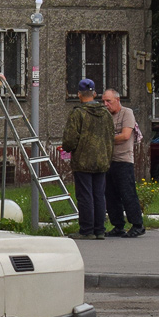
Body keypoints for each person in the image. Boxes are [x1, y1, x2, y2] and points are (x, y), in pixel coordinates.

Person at [62, 78, 114, 240]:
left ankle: (87, 230)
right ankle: (100, 230)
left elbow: (70, 139)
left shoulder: (78, 113)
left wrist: (67, 148)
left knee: (85, 195)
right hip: (102, 160)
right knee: (99, 195)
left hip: (83, 161)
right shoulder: (106, 113)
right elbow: (110, 136)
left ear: (79, 94)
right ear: (95, 94)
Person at [101, 89, 146, 238]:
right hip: (108, 160)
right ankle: (118, 225)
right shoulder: (105, 115)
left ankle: (137, 224)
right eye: (104, 101)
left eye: (109, 101)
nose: (106, 104)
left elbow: (125, 136)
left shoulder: (127, 113)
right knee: (111, 195)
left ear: (118, 100)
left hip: (123, 160)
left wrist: (106, 139)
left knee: (127, 193)